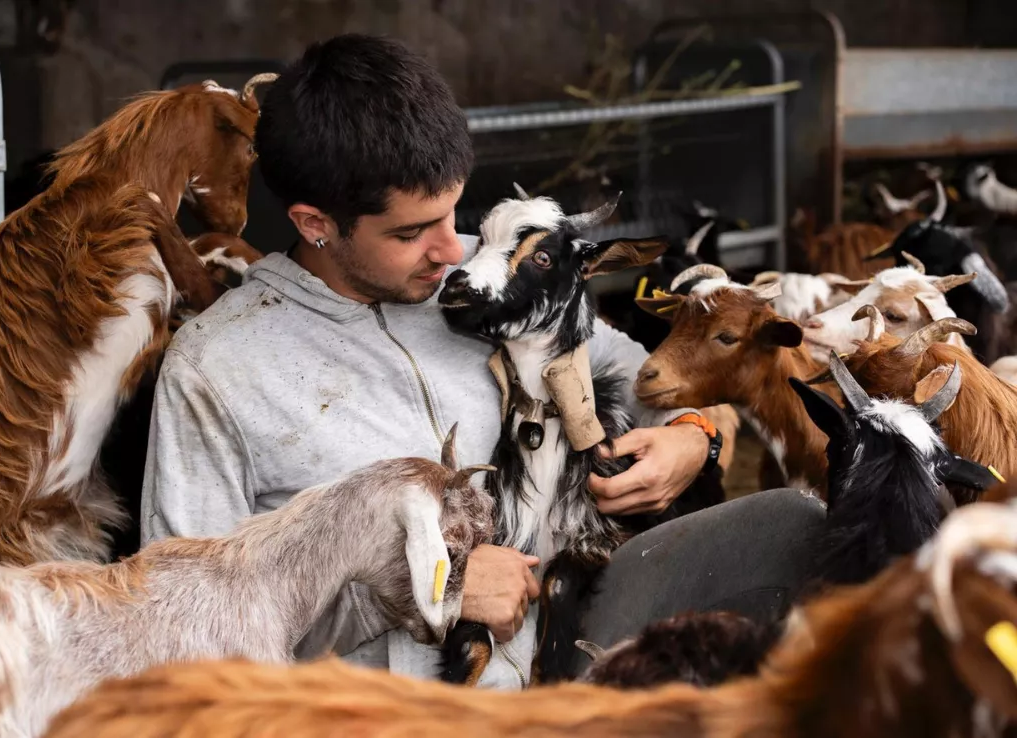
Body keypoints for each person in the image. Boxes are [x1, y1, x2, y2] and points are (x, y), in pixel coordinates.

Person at [140, 33, 825, 688]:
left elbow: (663, 382)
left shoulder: (501, 271)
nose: (450, 249)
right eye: (411, 232)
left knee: (796, 529)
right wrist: (435, 587)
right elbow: (189, 632)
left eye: (453, 210)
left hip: (582, 643)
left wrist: (692, 441)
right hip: (400, 706)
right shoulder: (218, 370)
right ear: (315, 222)